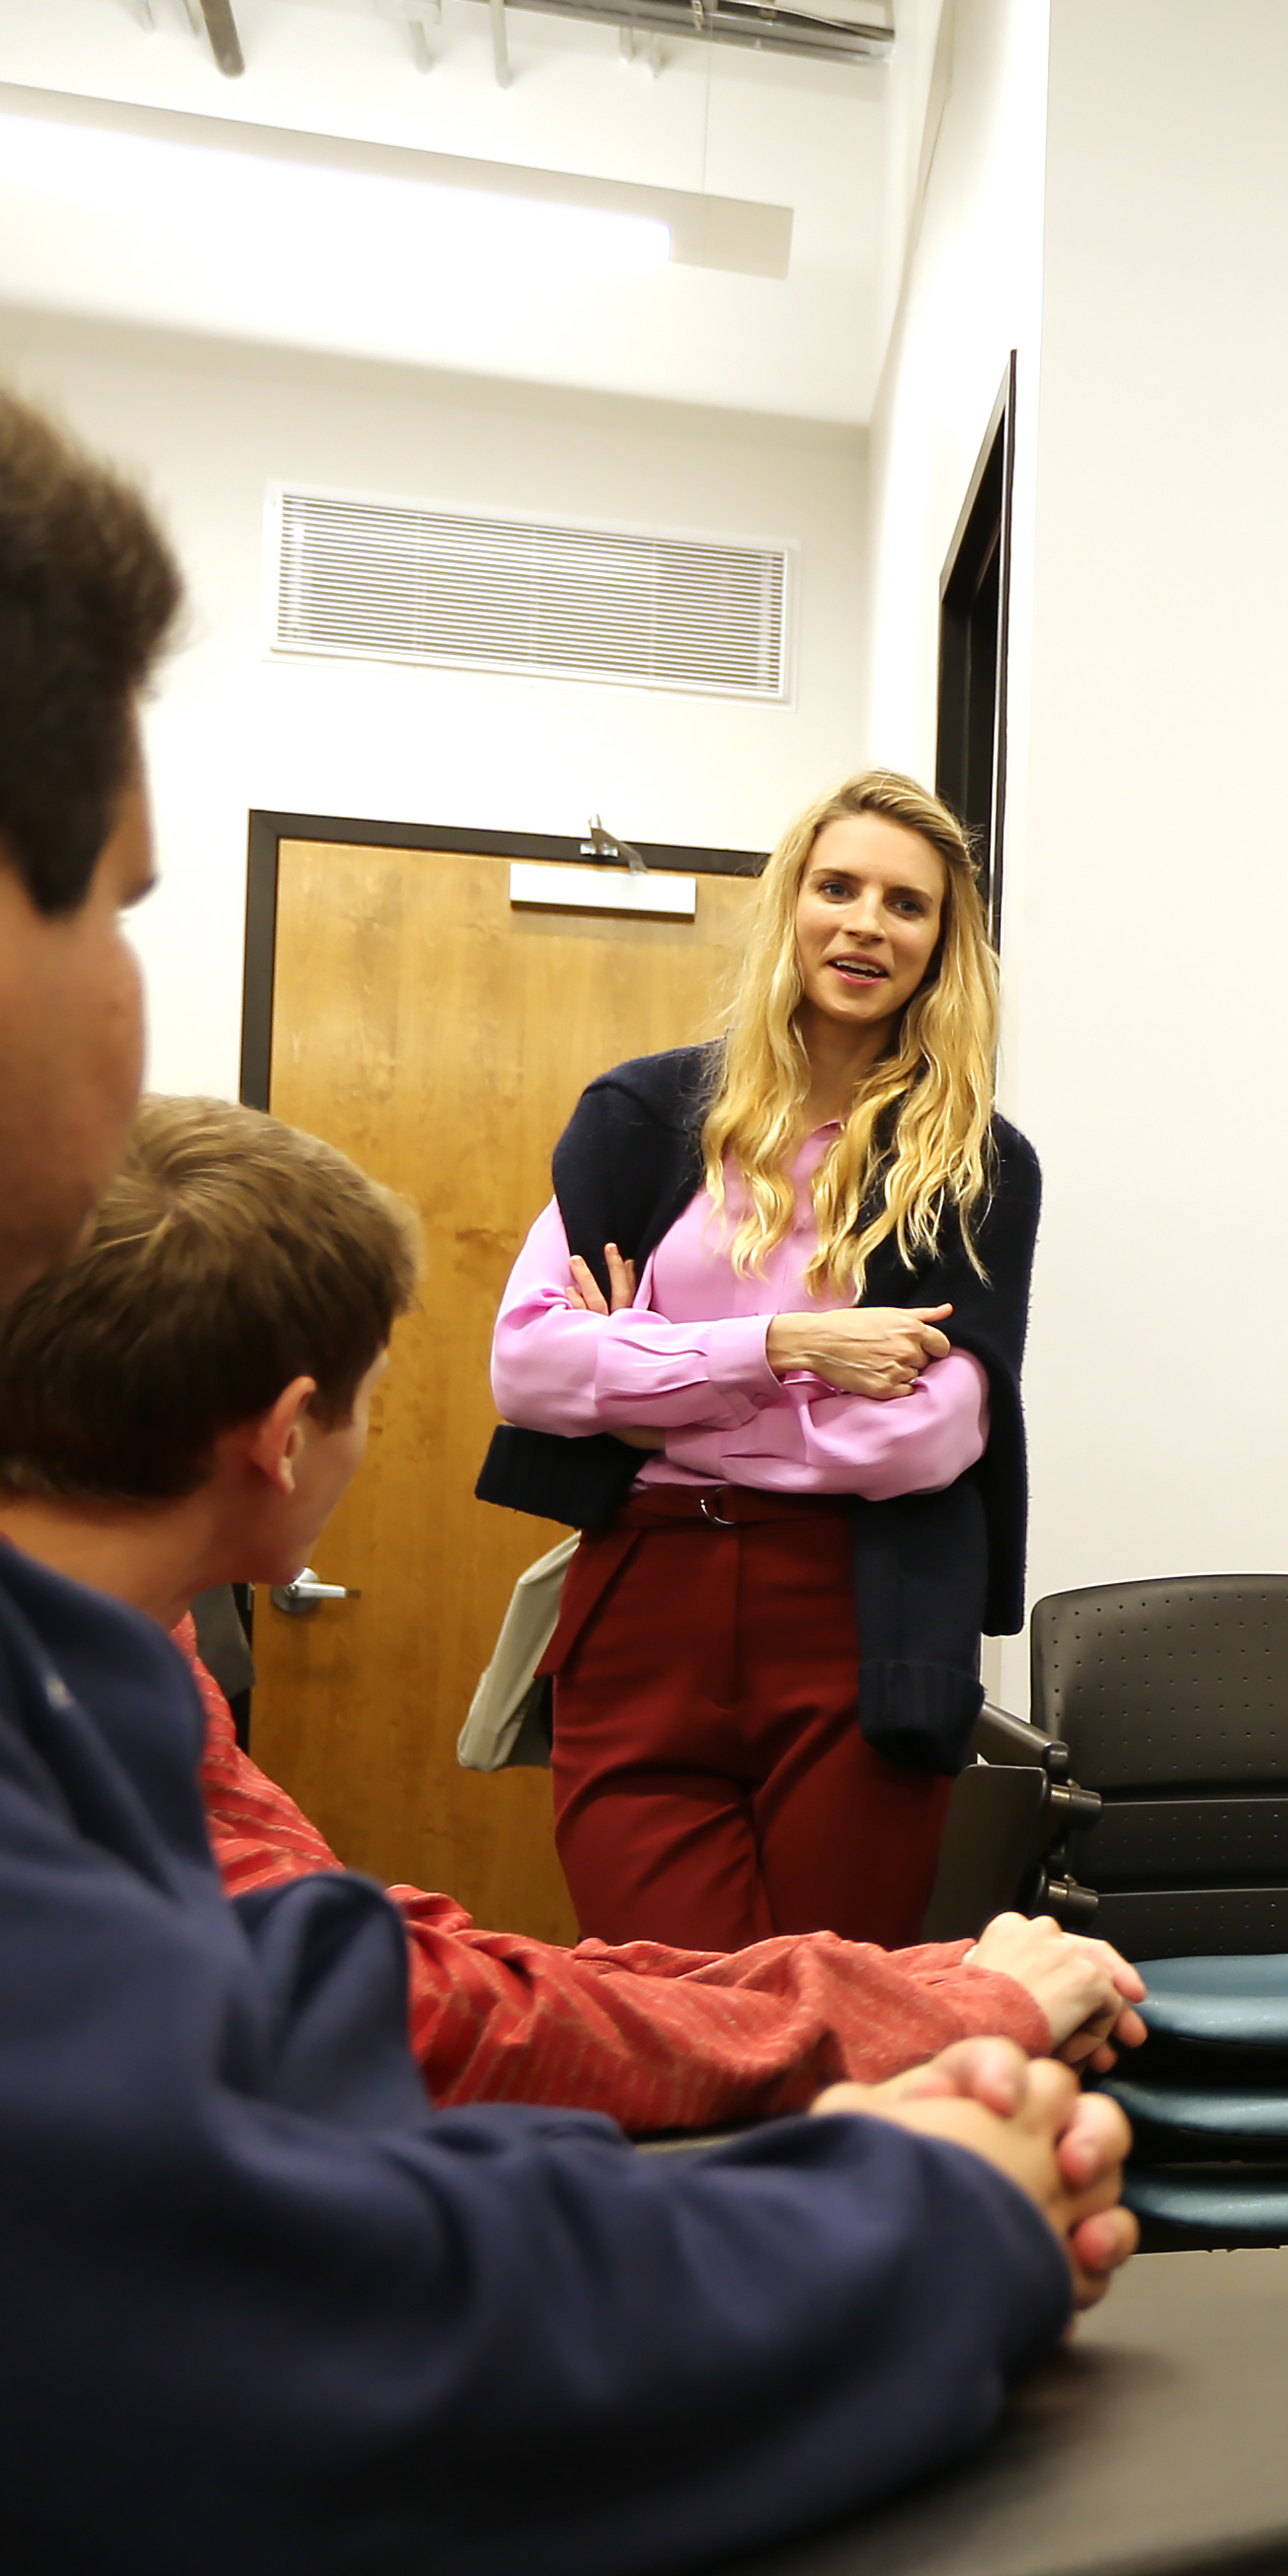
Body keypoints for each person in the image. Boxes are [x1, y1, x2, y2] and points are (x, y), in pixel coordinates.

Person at [0, 276, 1288, 2576]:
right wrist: (905, 2214)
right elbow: (161, 2329)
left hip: (846, 1651)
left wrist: (727, 1374)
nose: (140, 1004)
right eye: (131, 904)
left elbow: (919, 1424)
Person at [0, 1091, 1149, 2129]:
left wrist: (911, 1988)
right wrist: (944, 2012)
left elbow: (395, 1970)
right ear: (287, 1439)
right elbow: (416, 2014)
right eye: (371, 1396)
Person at [483, 768, 1036, 1951]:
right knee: (668, 1999)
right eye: (837, 887)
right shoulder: (640, 1118)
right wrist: (789, 1344)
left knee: (830, 1998)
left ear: (941, 945)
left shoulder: (976, 1164)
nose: (865, 923)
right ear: (791, 903)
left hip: (861, 1614)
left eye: (906, 904)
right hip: (641, 1610)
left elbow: (924, 1436)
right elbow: (530, 1367)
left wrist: (645, 1386)